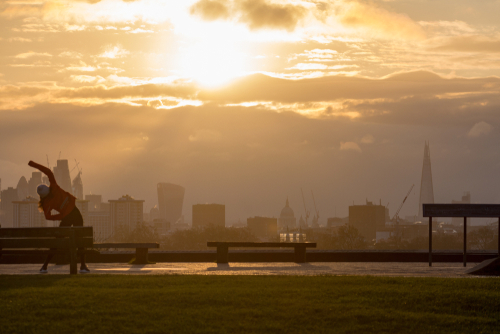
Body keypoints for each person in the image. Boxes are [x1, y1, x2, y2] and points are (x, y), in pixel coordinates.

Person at [28, 160, 90, 274]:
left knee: (57, 242)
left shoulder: (46, 203)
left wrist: (60, 216)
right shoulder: (54, 187)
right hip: (75, 213)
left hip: (66, 217)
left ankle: (45, 266)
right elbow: (48, 172)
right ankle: (82, 265)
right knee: (80, 240)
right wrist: (34, 164)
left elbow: (48, 217)